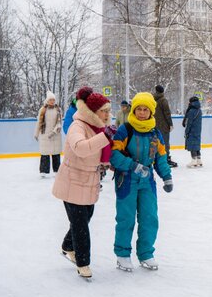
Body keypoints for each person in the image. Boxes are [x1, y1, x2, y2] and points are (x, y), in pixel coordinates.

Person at [51, 87, 112, 279]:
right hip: (72, 181)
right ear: (93, 112)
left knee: (85, 218)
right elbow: (80, 148)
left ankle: (68, 246)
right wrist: (105, 137)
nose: (107, 115)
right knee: (80, 225)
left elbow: (100, 153)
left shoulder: (97, 127)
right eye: (104, 111)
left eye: (108, 111)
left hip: (89, 181)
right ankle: (82, 263)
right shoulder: (78, 126)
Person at [110, 92, 173, 272]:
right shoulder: (125, 129)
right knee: (126, 218)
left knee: (149, 217)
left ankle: (146, 253)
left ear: (151, 112)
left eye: (146, 110)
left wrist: (166, 176)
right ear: (134, 110)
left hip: (147, 180)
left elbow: (161, 156)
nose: (142, 113)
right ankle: (122, 255)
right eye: (139, 109)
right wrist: (132, 165)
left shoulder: (155, 133)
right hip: (127, 179)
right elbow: (114, 154)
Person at [35, 91, 63, 178]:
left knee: (56, 154)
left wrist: (54, 132)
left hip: (55, 135)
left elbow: (59, 123)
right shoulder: (42, 110)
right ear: (47, 100)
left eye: (53, 100)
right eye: (51, 99)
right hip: (45, 135)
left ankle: (57, 170)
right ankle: (43, 171)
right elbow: (39, 122)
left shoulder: (58, 109)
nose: (52, 101)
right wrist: (36, 133)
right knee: (45, 153)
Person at [154, 85, 177, 167]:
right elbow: (167, 113)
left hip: (154, 126)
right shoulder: (163, 100)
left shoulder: (152, 100)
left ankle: (157, 159)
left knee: (156, 143)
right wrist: (170, 124)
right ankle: (165, 159)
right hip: (163, 126)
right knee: (165, 143)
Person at [183, 95, 203, 167]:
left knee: (192, 145)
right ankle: (199, 159)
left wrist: (186, 131)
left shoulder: (191, 111)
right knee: (196, 144)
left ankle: (194, 160)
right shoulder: (199, 110)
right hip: (198, 130)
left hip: (192, 130)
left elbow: (189, 123)